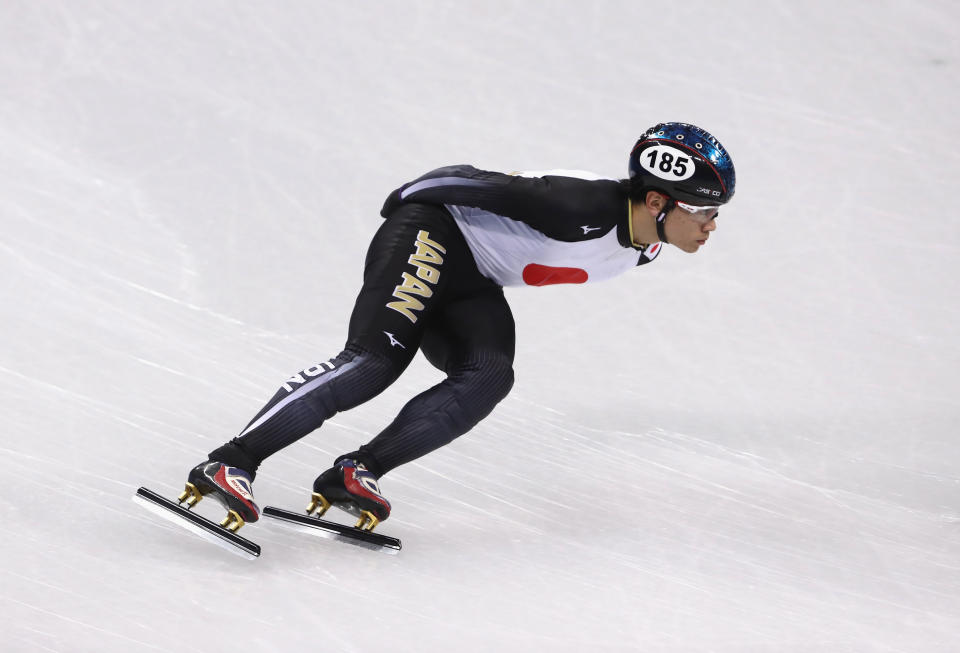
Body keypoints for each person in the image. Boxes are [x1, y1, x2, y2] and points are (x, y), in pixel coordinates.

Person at [176, 121, 737, 533]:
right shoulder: (579, 204)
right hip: (433, 232)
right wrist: (402, 201)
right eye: (704, 211)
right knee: (376, 361)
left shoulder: (644, 248)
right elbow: (466, 179)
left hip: (473, 277)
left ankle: (355, 472)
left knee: (489, 376)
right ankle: (231, 460)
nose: (711, 226)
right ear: (658, 200)